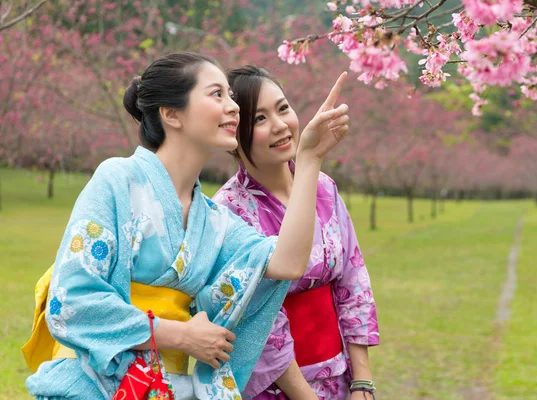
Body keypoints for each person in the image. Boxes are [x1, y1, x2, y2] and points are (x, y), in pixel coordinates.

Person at [22, 52, 350, 400]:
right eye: (216, 94)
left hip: (166, 388)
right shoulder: (118, 179)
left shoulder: (213, 221)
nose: (233, 108)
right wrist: (181, 336)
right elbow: (70, 301)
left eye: (231, 96)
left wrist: (310, 157)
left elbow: (288, 262)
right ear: (171, 113)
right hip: (89, 383)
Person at [213, 65, 378, 400]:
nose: (279, 126)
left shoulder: (324, 187)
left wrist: (362, 379)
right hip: (276, 388)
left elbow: (353, 279)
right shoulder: (228, 212)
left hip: (341, 376)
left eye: (283, 108)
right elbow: (255, 323)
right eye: (259, 119)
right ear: (233, 132)